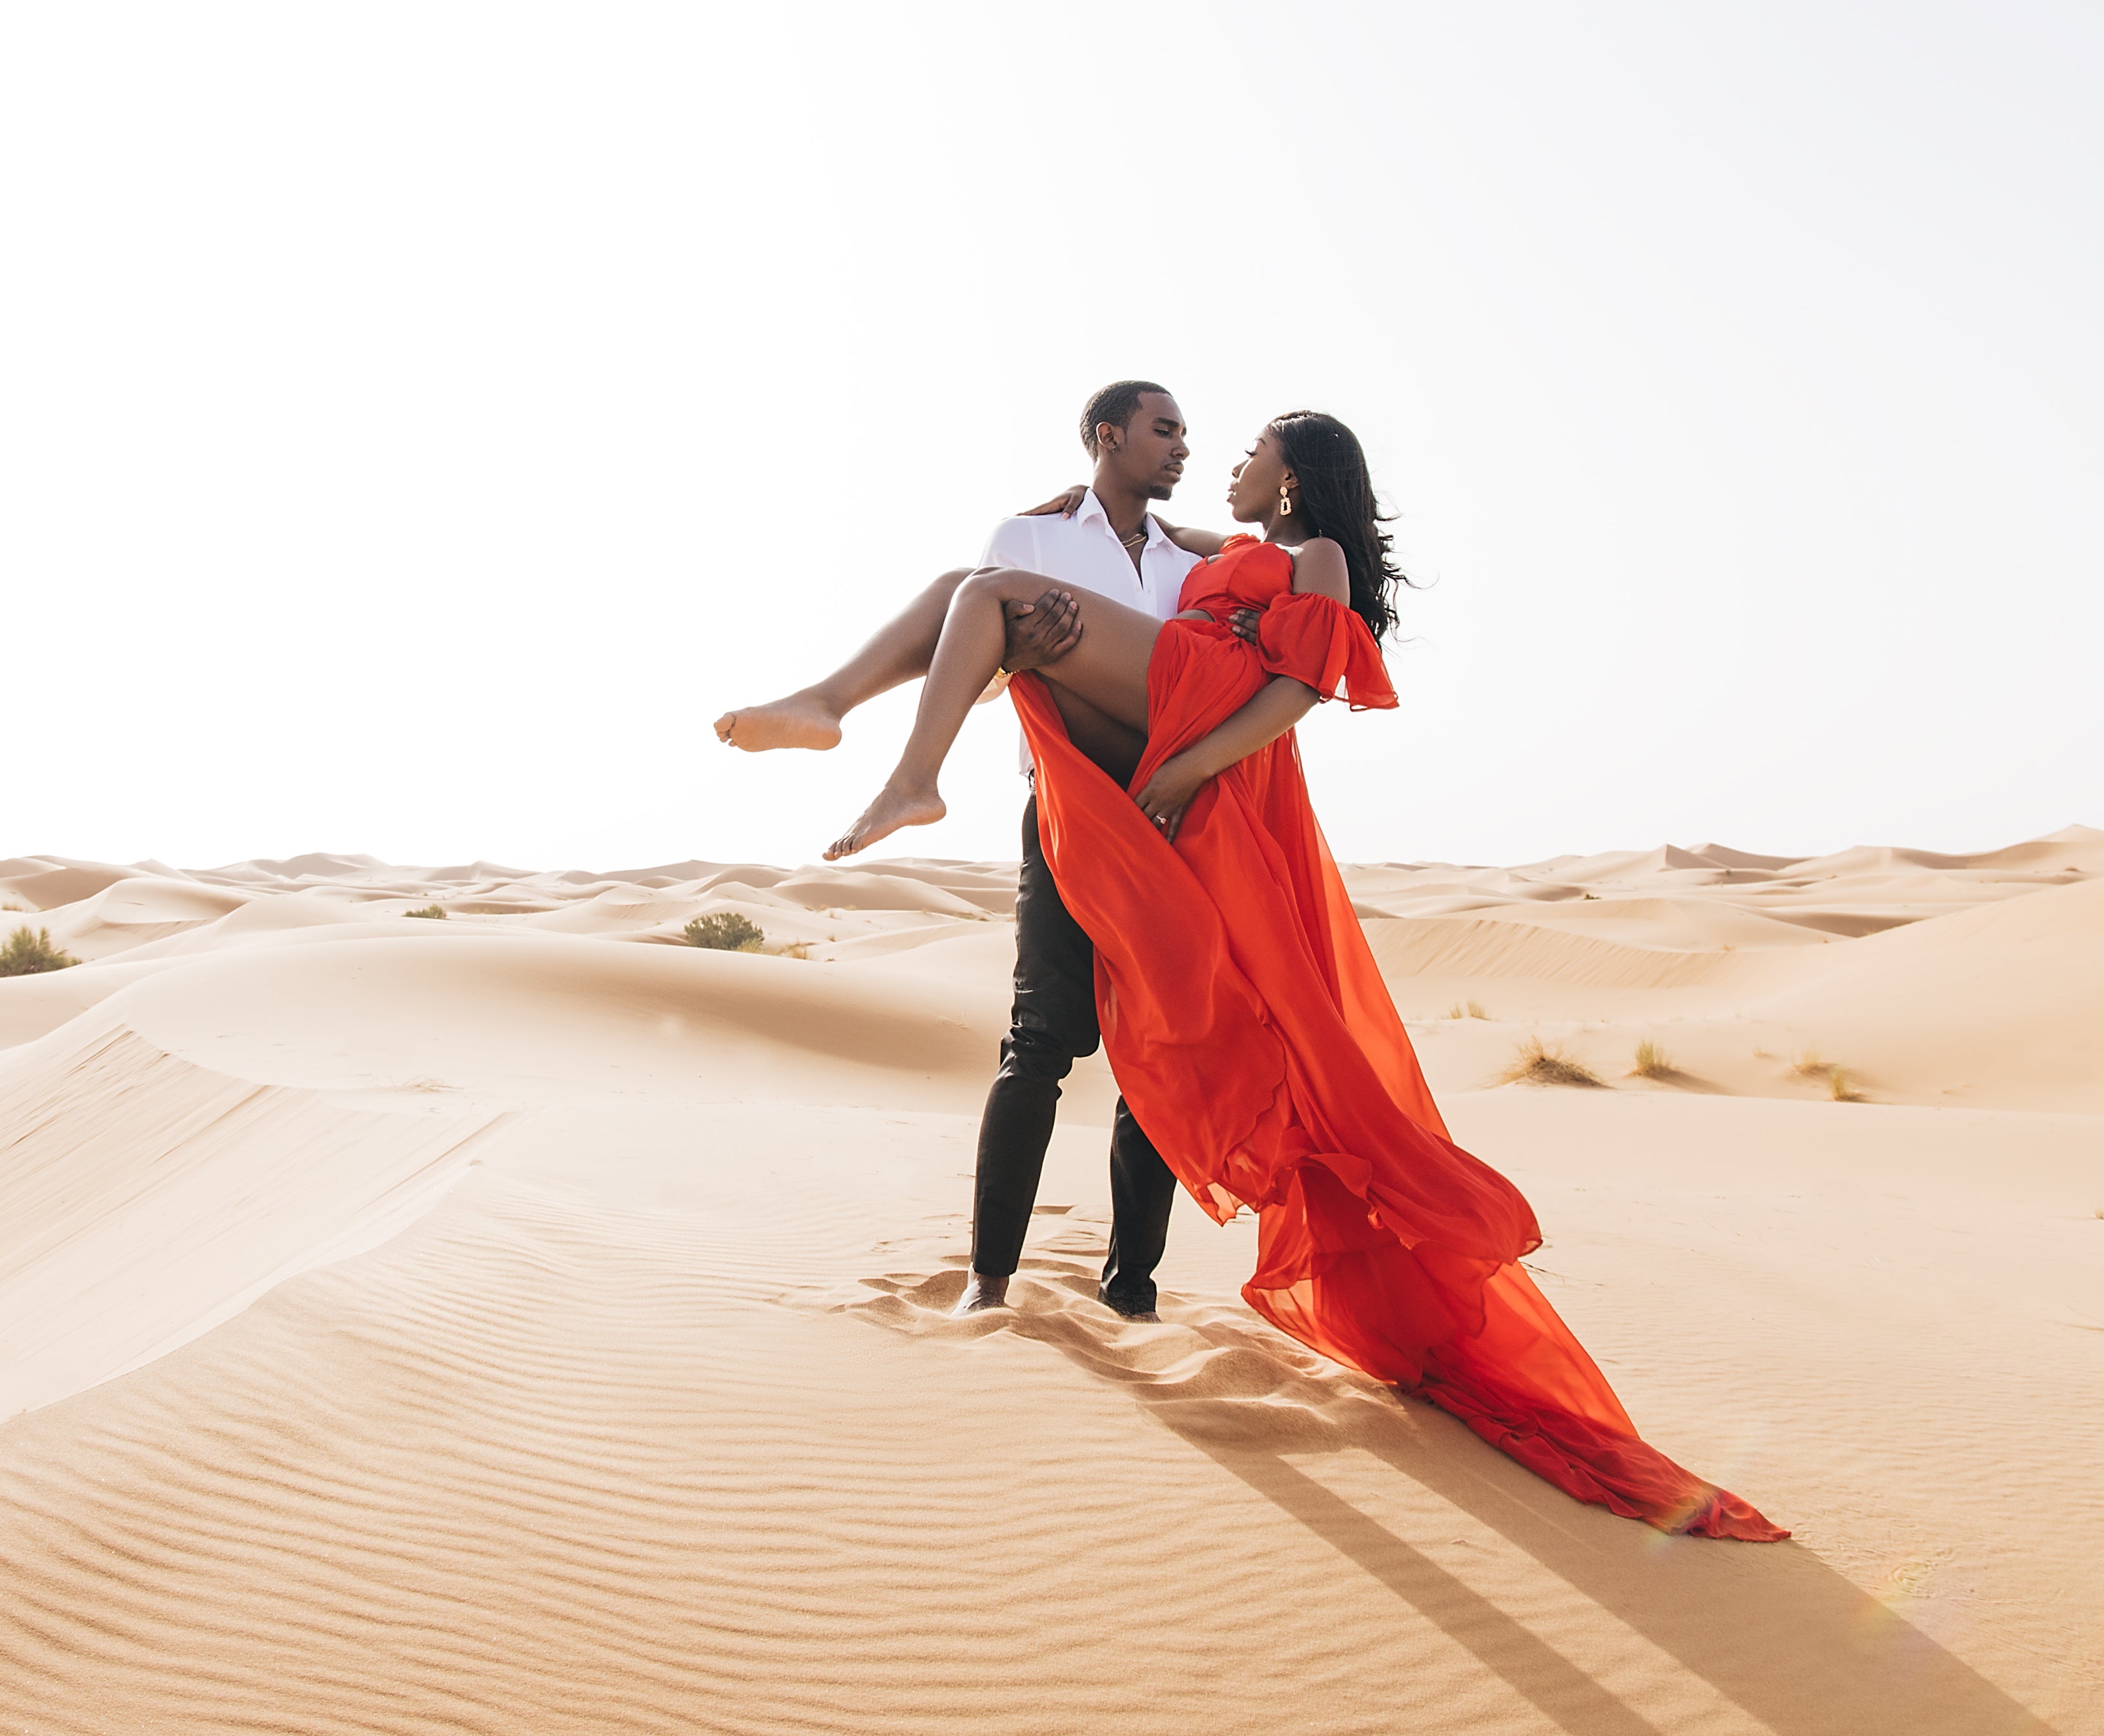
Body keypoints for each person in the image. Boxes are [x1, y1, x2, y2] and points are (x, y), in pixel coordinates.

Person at [788, 409, 1786, 1540]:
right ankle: (846, 716)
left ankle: (905, 771)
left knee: (987, 604)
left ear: (1299, 473)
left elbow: (1301, 690)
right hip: (1158, 720)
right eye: (1181, 435)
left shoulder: (1315, 558)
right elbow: (1150, 525)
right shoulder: (1219, 549)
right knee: (973, 591)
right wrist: (1087, 511)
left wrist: (1194, 764)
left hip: (1204, 717)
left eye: (1253, 445)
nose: (1225, 456)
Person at [717, 380, 1214, 1324]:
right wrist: (1028, 654)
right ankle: (988, 1284)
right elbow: (976, 671)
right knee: (1038, 1046)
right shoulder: (1031, 540)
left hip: (1169, 816)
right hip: (1067, 808)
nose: (1182, 447)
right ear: (1108, 437)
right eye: (1164, 430)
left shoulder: (1190, 560)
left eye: (1187, 432)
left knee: (1161, 1055)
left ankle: (1134, 1293)